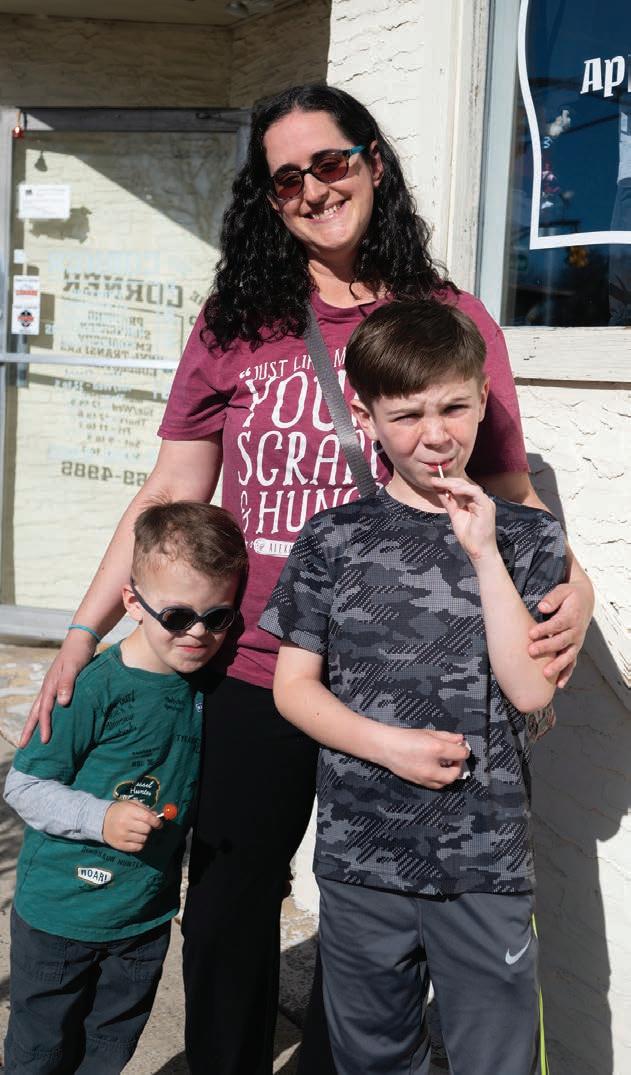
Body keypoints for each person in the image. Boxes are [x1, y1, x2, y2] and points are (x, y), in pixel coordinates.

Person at [19, 84, 593, 1075]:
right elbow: (171, 490)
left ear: (372, 162)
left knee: (374, 917)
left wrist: (572, 584)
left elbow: (508, 488)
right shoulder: (237, 324)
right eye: (286, 178)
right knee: (229, 906)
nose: (313, 189)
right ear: (269, 199)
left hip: (413, 674)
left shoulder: (449, 320)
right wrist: (82, 631)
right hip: (258, 664)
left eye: (330, 163)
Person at [261, 299, 567, 1075]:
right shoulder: (331, 539)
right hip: (361, 858)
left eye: (453, 407)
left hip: (485, 865)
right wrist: (386, 745)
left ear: (482, 398)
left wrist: (483, 551)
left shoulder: (528, 536)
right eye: (406, 415)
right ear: (365, 416)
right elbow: (293, 687)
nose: (434, 434)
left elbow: (530, 690)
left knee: (495, 1060)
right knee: (372, 1059)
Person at [4, 501, 247, 1073]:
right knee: (40, 1051)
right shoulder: (91, 688)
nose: (198, 633)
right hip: (61, 915)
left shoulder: (203, 687)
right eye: (178, 616)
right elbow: (24, 785)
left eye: (218, 618)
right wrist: (102, 818)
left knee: (110, 1049)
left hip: (142, 919)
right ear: (133, 602)